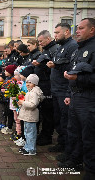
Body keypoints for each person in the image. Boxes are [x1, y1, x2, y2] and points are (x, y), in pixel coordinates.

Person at [60, 18, 95, 179]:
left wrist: (77, 80)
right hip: (75, 97)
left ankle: (91, 171)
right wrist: (69, 93)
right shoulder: (78, 49)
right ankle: (75, 160)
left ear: (92, 30)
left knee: (89, 137)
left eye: (81, 28)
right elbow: (72, 72)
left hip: (89, 99)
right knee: (74, 132)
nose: (77, 31)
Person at [46, 23, 78, 154]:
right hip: (56, 89)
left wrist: (56, 65)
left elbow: (71, 67)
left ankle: (67, 148)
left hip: (64, 90)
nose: (55, 35)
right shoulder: (60, 47)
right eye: (54, 33)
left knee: (65, 121)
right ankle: (61, 143)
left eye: (57, 32)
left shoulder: (72, 46)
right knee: (58, 119)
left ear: (66, 32)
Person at [33, 30, 59, 146]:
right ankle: (44, 134)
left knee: (48, 112)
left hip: (49, 85)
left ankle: (47, 136)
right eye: (38, 42)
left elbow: (55, 68)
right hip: (43, 84)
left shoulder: (55, 49)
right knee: (44, 111)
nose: (40, 43)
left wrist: (42, 66)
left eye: (41, 41)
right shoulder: (47, 50)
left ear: (48, 39)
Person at [18, 74, 44, 155]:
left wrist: (23, 102)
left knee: (30, 133)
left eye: (30, 82)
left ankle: (31, 149)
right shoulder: (30, 91)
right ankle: (27, 147)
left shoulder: (34, 93)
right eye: (27, 82)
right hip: (27, 116)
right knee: (27, 132)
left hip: (31, 116)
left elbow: (33, 104)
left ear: (35, 83)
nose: (28, 84)